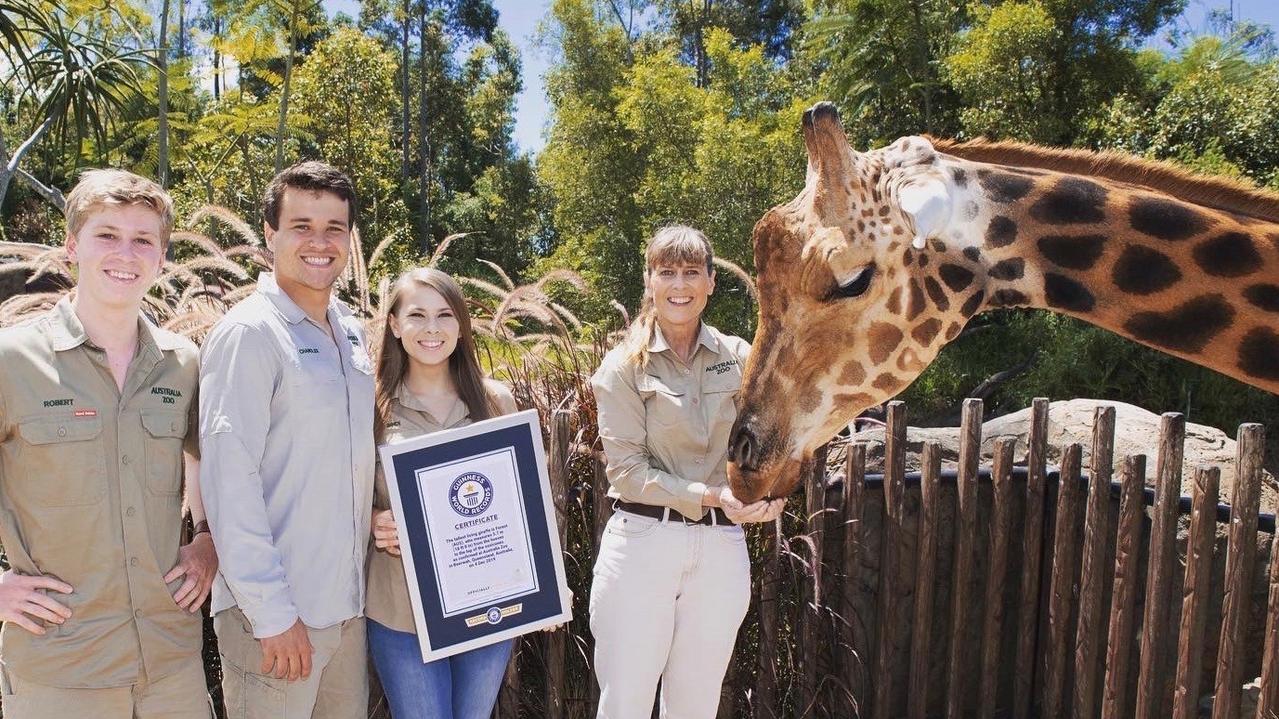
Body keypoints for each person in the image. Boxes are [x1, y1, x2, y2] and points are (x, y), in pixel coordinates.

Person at [0, 169, 218, 718]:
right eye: (106, 235)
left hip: (170, 663)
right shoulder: (11, 361)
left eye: (143, 239)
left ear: (163, 256)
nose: (126, 253)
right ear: (72, 246)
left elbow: (205, 460)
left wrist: (209, 538)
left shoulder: (183, 363)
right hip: (61, 667)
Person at [198, 161, 374, 719]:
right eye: (301, 226)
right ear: (270, 235)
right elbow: (229, 483)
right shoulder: (250, 335)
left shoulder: (349, 332)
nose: (319, 243)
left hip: (347, 613)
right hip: (276, 621)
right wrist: (272, 616)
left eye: (334, 228)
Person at [589, 225, 785, 718]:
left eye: (691, 272)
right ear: (649, 281)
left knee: (696, 706)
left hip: (722, 550)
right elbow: (629, 473)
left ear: (711, 282)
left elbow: (774, 439)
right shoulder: (622, 369)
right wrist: (712, 495)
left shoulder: (743, 358)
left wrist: (772, 493)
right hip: (643, 545)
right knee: (626, 703)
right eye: (667, 272)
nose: (680, 284)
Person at [365, 267, 519, 719]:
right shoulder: (369, 407)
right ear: (394, 325)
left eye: (445, 315)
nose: (432, 329)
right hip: (401, 611)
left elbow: (525, 503)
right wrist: (374, 520)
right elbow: (342, 496)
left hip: (486, 604)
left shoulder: (496, 403)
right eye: (417, 315)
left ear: (461, 325)